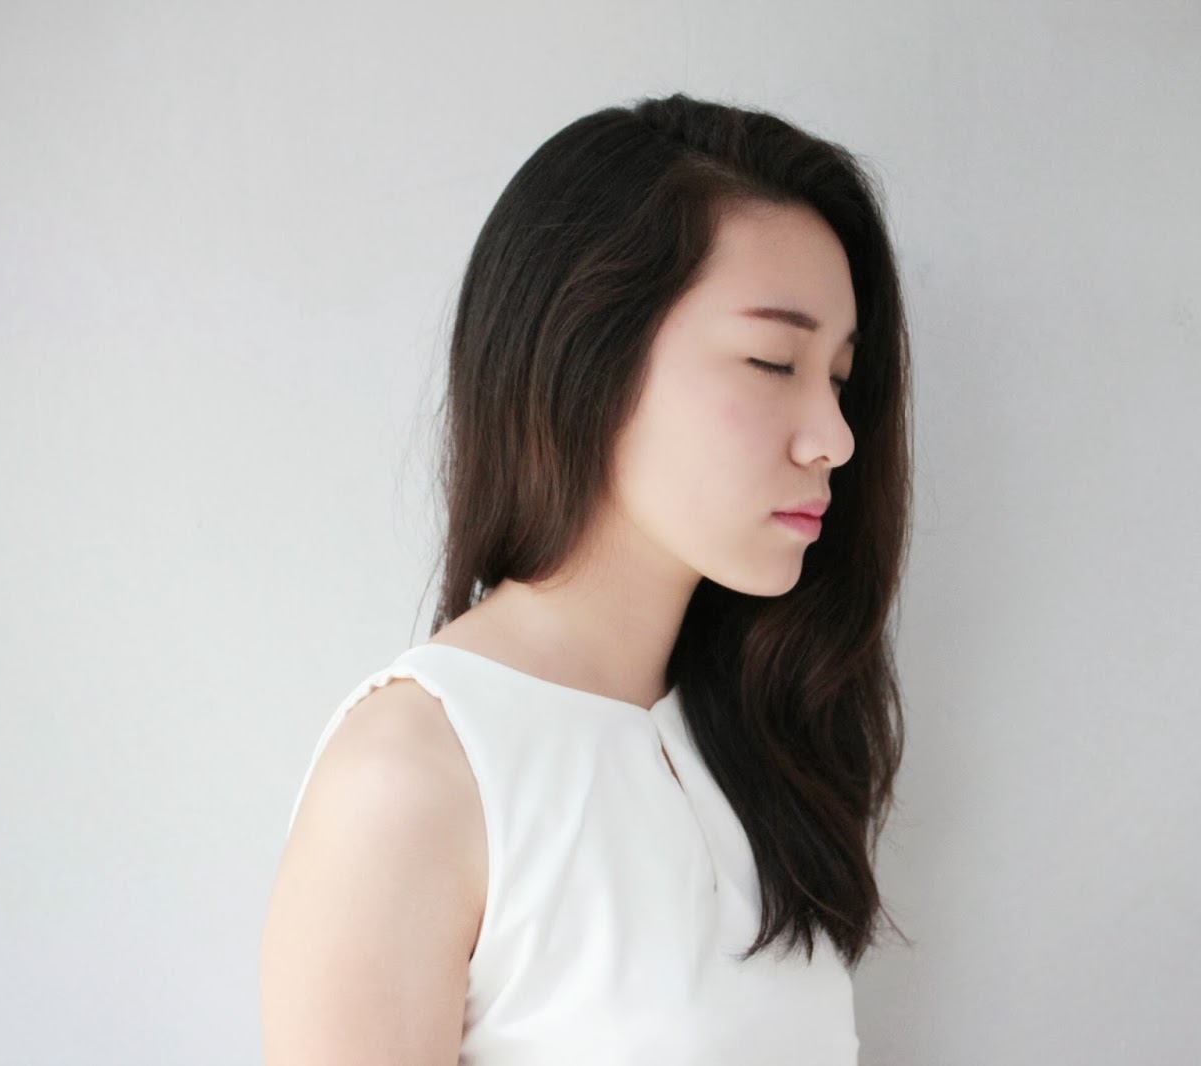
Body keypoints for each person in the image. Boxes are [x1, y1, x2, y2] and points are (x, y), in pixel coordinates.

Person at [258, 91, 914, 1065]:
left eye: (840, 378)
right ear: (585, 360)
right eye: (773, 361)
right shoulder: (412, 776)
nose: (834, 439)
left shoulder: (752, 744)